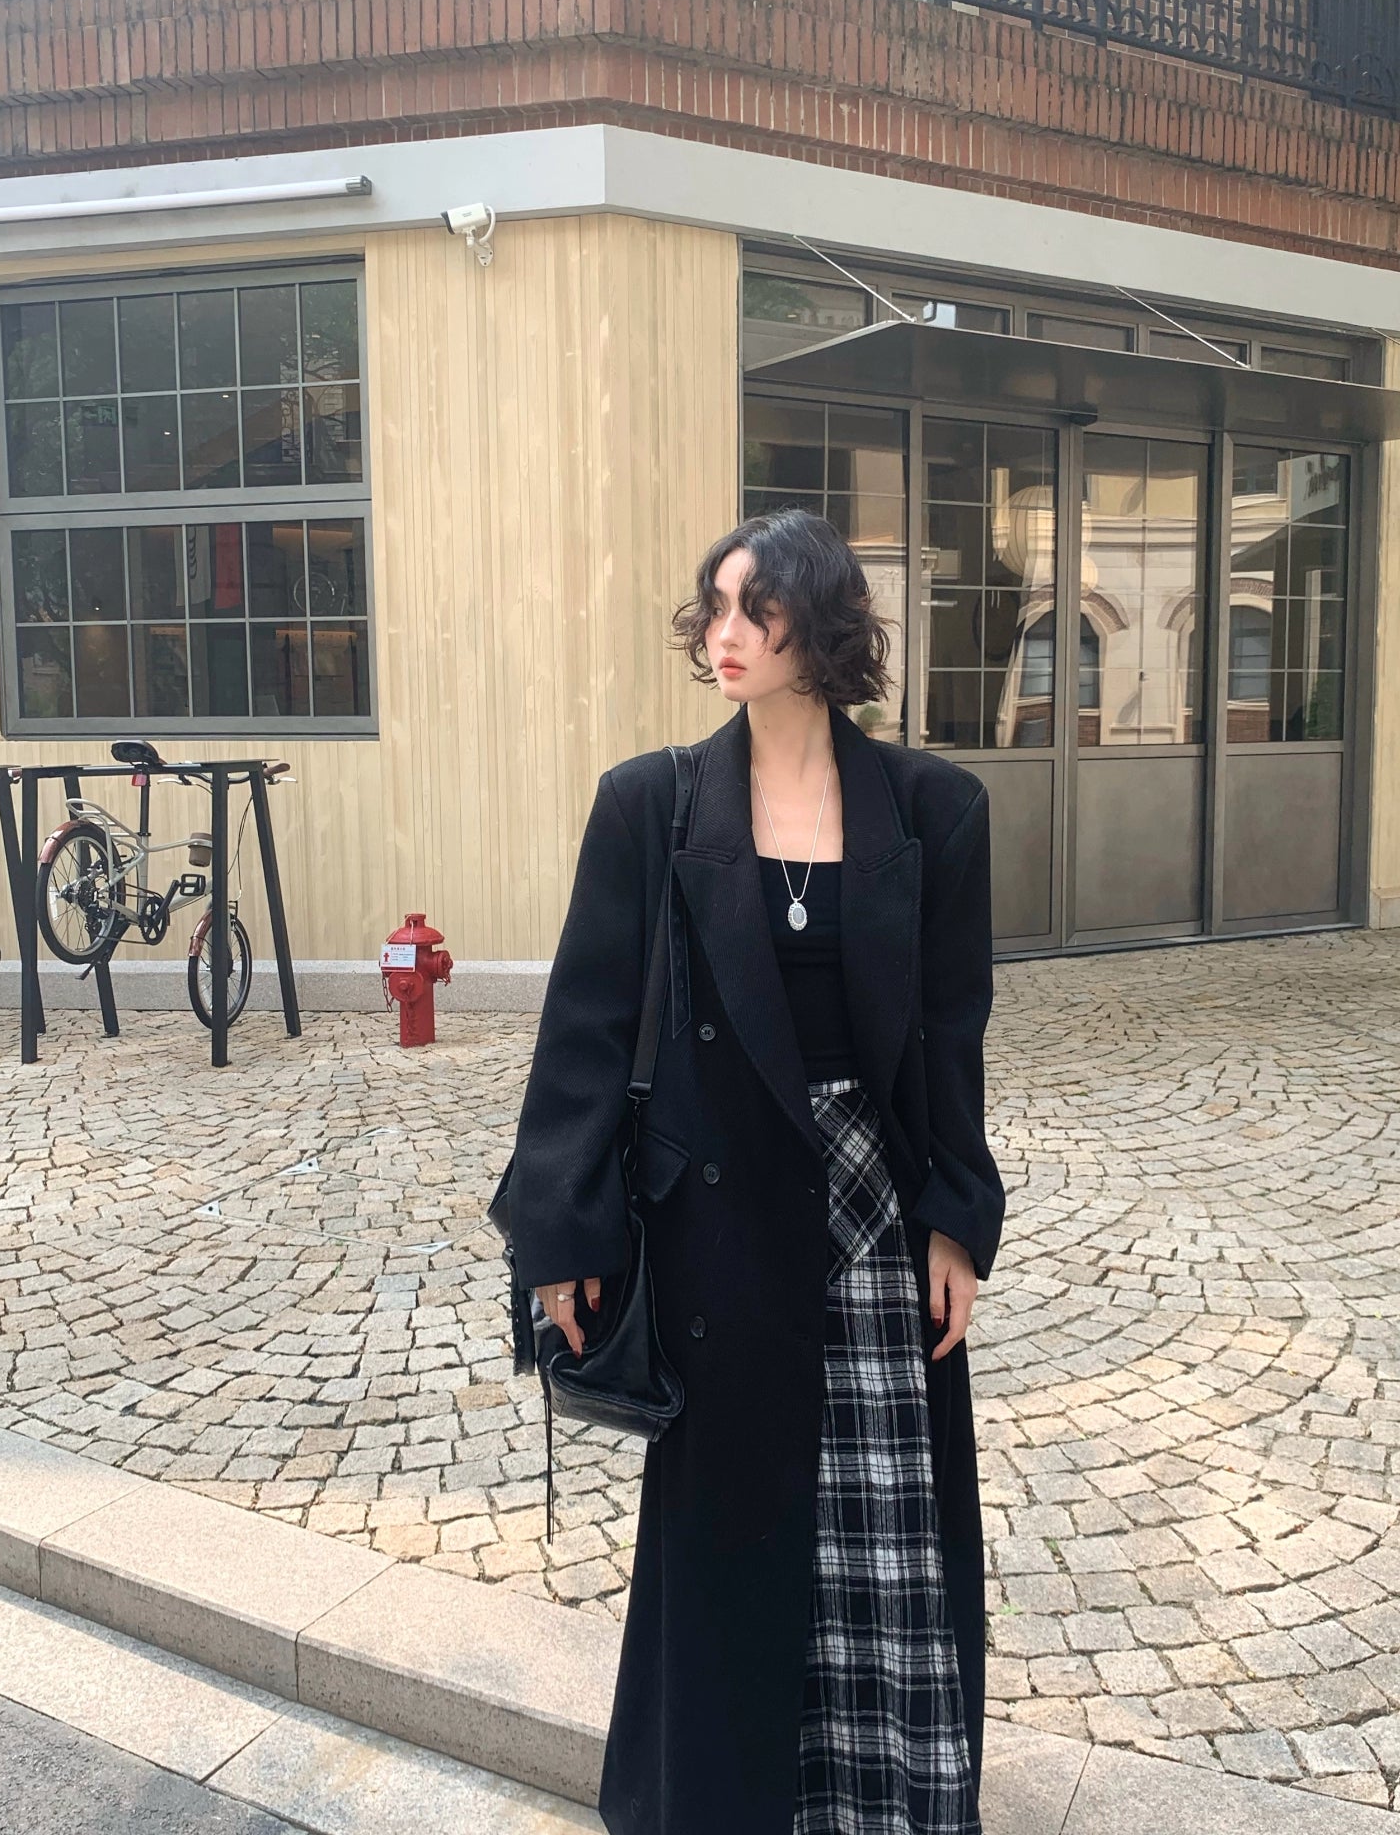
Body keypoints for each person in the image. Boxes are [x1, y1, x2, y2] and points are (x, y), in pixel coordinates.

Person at [501, 507, 1006, 1835]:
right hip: (719, 1222)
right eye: (714, 607)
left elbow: (952, 1034)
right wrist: (564, 1235)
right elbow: (586, 1028)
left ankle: (882, 1799)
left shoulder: (936, 810)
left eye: (756, 608)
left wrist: (956, 1221)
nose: (724, 634)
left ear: (819, 628)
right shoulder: (652, 802)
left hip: (877, 1208)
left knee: (887, 1521)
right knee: (730, 1538)